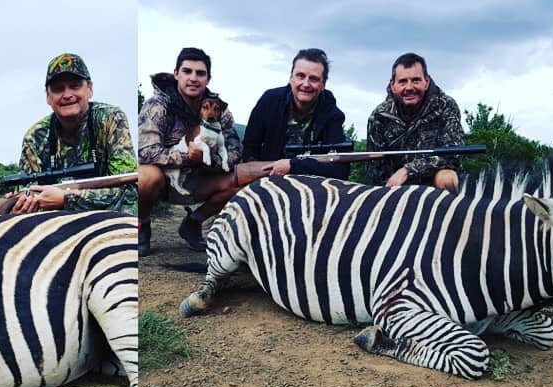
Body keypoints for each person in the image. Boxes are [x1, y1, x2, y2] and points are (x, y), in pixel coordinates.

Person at [137, 47, 242, 255]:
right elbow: (146, 152)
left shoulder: (220, 110)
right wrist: (188, 157)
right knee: (146, 176)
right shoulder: (157, 106)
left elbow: (235, 150)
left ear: (208, 79)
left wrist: (209, 159)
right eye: (187, 71)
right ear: (176, 74)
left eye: (200, 73)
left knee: (242, 180)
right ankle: (142, 224)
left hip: (201, 179)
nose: (193, 78)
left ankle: (194, 222)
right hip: (165, 182)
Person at [8, 53, 137, 214]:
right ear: (48, 97)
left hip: (105, 216)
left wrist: (67, 198)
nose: (67, 95)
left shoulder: (110, 119)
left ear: (90, 89)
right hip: (56, 220)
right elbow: (28, 192)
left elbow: (130, 192)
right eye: (58, 89)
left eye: (75, 86)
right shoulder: (35, 136)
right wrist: (21, 204)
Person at [242, 48, 347, 178]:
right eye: (300, 76)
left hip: (308, 186)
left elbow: (341, 170)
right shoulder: (269, 101)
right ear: (291, 78)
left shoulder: (333, 116)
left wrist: (293, 166)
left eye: (313, 79)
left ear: (323, 85)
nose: (306, 84)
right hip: (264, 178)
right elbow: (249, 148)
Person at [365, 53, 462, 190]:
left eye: (416, 80)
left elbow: (452, 156)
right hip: (395, 187)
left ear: (426, 82)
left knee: (446, 178)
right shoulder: (379, 116)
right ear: (393, 85)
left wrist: (408, 170)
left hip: (433, 184)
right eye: (403, 81)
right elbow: (374, 171)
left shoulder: (445, 105)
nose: (409, 87)